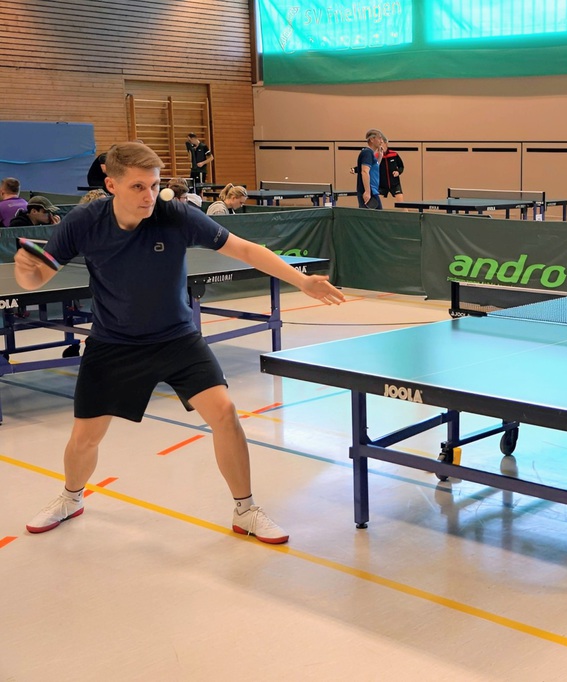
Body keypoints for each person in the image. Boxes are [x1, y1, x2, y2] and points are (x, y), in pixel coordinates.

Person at [14, 141, 345, 542]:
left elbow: (243, 248)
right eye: (138, 186)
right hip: (113, 343)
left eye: (154, 185)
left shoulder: (174, 215)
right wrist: (25, 272)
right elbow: (38, 277)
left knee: (225, 413)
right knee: (85, 437)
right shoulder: (84, 221)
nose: (149, 195)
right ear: (111, 184)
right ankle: (71, 497)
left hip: (176, 338)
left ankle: (245, 510)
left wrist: (301, 280)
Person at [356, 129, 383, 210]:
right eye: (379, 138)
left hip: (373, 191)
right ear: (372, 139)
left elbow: (373, 169)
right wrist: (367, 192)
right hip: (369, 192)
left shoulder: (371, 154)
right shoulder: (367, 153)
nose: (381, 141)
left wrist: (380, 157)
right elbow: (364, 171)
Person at [378, 136, 405, 205]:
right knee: (377, 205)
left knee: (402, 204)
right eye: (379, 144)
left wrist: (398, 172)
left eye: (381, 143)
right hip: (381, 184)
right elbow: (367, 166)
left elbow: (401, 166)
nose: (380, 145)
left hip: (395, 184)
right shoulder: (376, 156)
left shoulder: (394, 154)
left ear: (386, 143)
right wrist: (355, 169)